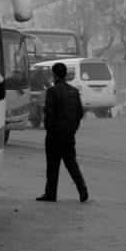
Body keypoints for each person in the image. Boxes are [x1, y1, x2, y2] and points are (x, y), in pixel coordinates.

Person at [36, 62, 89, 203]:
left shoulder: (53, 92)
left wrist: (50, 129)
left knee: (53, 166)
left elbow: (50, 114)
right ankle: (82, 188)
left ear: (54, 75)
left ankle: (50, 194)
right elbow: (79, 113)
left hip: (55, 135)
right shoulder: (74, 91)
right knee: (71, 164)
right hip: (69, 135)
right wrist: (72, 129)